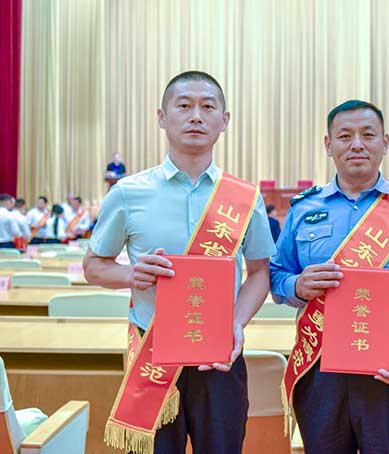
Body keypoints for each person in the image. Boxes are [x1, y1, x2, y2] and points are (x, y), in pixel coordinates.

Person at [83, 70, 276, 454]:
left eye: (208, 107)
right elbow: (94, 266)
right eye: (184, 106)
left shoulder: (244, 197)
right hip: (153, 356)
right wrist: (131, 274)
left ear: (225, 120)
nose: (196, 116)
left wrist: (236, 322)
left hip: (220, 359)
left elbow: (259, 273)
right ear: (162, 116)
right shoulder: (128, 193)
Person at [270, 100, 389, 453]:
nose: (357, 144)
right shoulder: (304, 209)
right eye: (345, 136)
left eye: (368, 135)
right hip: (320, 368)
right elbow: (277, 274)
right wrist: (297, 285)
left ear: (385, 143)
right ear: (328, 145)